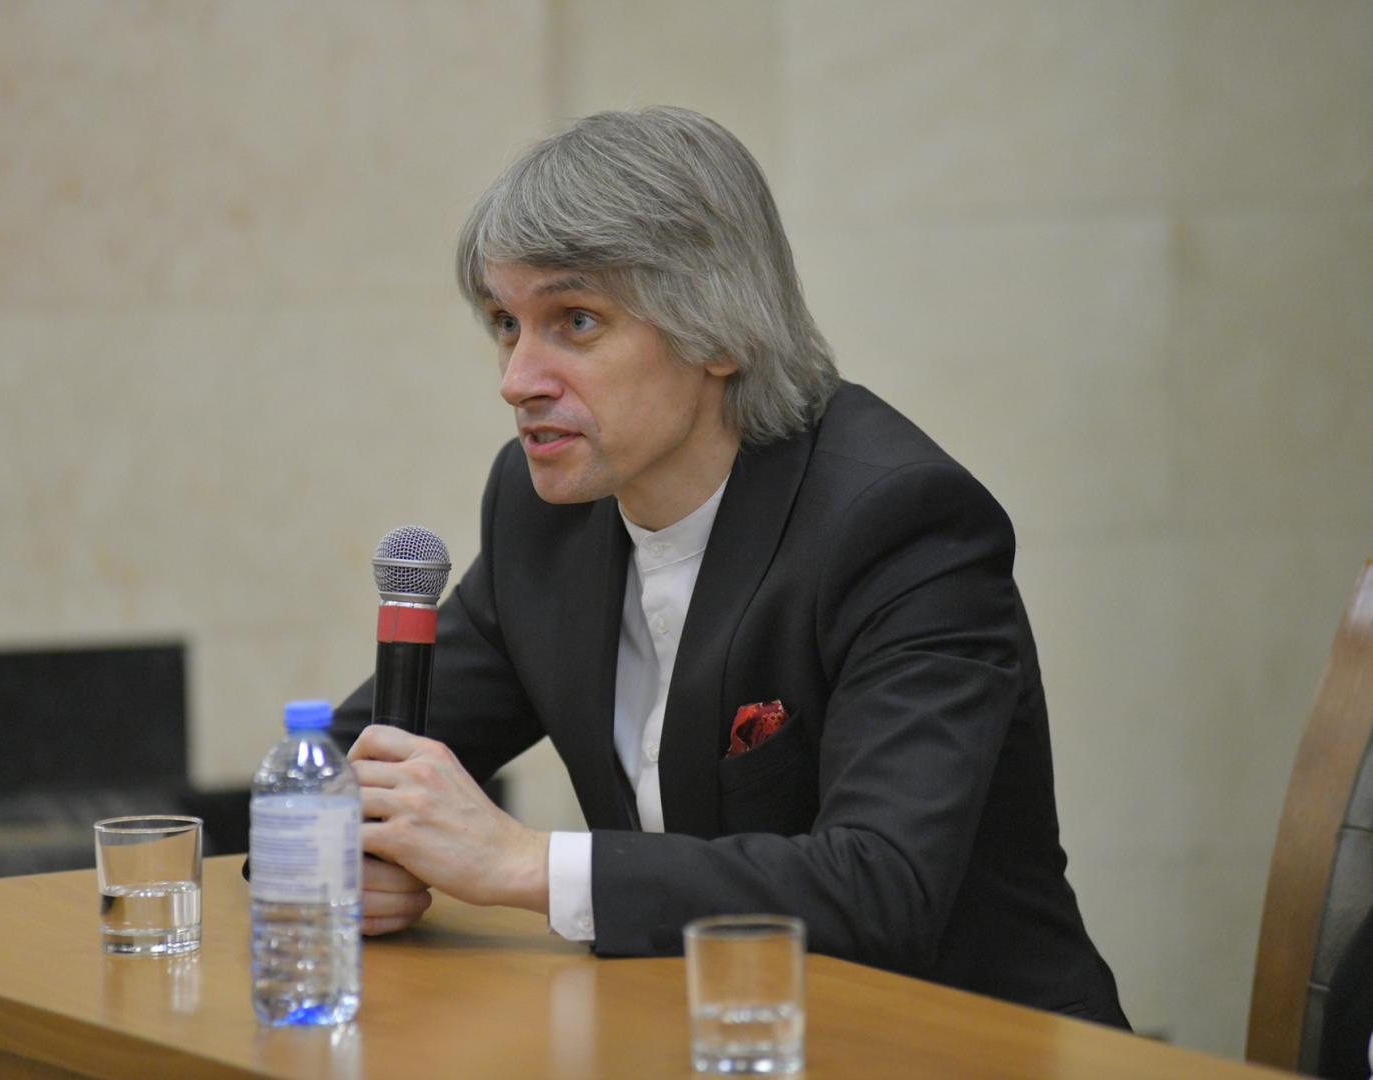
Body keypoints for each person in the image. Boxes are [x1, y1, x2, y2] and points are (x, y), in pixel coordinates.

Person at [334, 106, 1128, 1027]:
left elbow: (882, 885)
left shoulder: (899, 524)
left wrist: (523, 864)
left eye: (575, 321)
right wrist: (339, 846)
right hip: (709, 1036)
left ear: (719, 333)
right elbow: (340, 762)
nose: (517, 379)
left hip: (961, 1044)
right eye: (507, 323)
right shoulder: (544, 512)